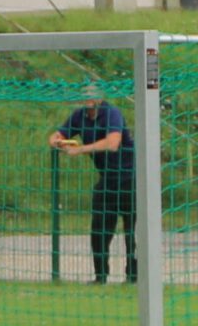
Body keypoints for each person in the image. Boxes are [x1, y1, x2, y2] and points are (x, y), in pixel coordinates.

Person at [50, 81, 137, 285]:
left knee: (132, 231)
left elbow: (112, 143)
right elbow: (56, 135)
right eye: (85, 95)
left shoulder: (111, 113)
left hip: (131, 178)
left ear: (100, 98)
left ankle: (134, 276)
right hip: (107, 180)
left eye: (92, 95)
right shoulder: (79, 116)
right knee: (99, 230)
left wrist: (80, 149)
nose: (88, 99)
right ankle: (100, 277)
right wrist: (59, 141)